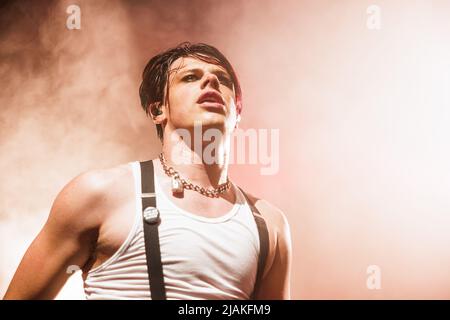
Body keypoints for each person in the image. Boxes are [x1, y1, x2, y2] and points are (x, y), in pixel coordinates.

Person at [3, 42, 292, 300]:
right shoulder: (100, 194)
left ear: (237, 114)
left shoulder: (269, 224)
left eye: (224, 80)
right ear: (157, 111)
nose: (211, 80)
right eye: (191, 77)